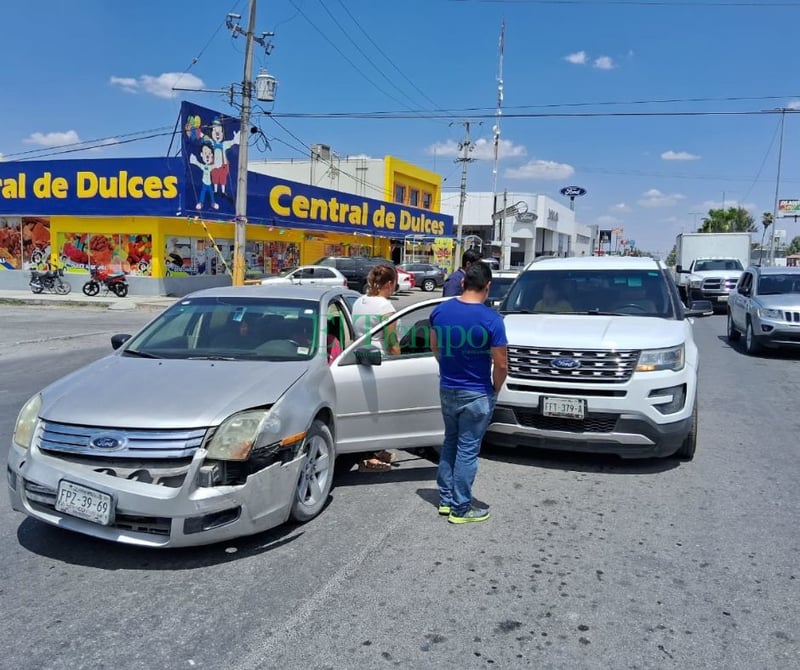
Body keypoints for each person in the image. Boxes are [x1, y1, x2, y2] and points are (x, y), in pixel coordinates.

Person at [430, 262, 508, 523]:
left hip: (448, 388)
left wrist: (449, 368)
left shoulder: (440, 311)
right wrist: (495, 388)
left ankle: (445, 499)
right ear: (488, 287)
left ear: (463, 283)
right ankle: (461, 508)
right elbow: (501, 364)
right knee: (467, 450)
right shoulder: (492, 320)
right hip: (476, 392)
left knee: (450, 442)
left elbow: (435, 347)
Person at [351, 264, 401, 472]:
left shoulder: (358, 302)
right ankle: (369, 456)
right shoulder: (385, 307)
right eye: (395, 284)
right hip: (380, 361)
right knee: (380, 410)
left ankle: (373, 450)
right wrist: (403, 358)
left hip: (359, 358)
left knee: (368, 407)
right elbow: (391, 343)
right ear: (389, 284)